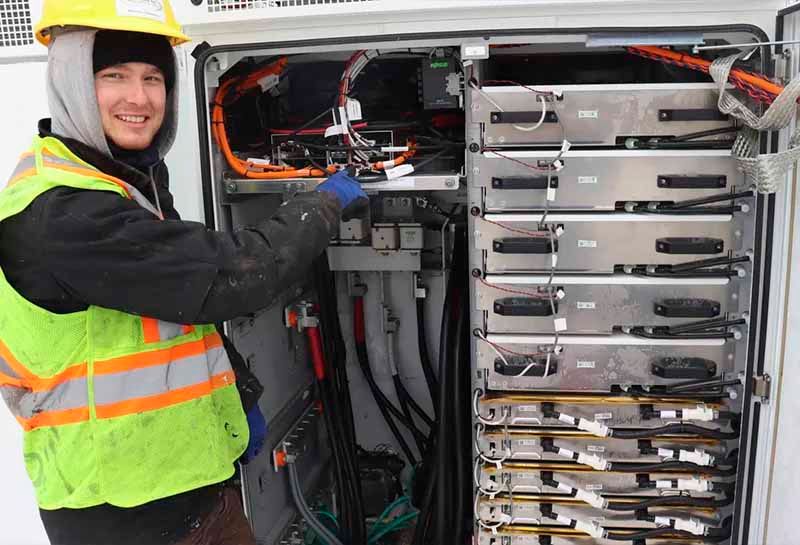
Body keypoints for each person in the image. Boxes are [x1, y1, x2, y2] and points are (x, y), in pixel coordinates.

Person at [0, 1, 366, 544]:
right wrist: (322, 205)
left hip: (194, 488)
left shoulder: (124, 182)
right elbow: (231, 278)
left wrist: (237, 398)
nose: (139, 97)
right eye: (113, 76)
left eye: (153, 77)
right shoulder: (65, 213)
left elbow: (175, 324)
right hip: (123, 517)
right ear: (72, 80)